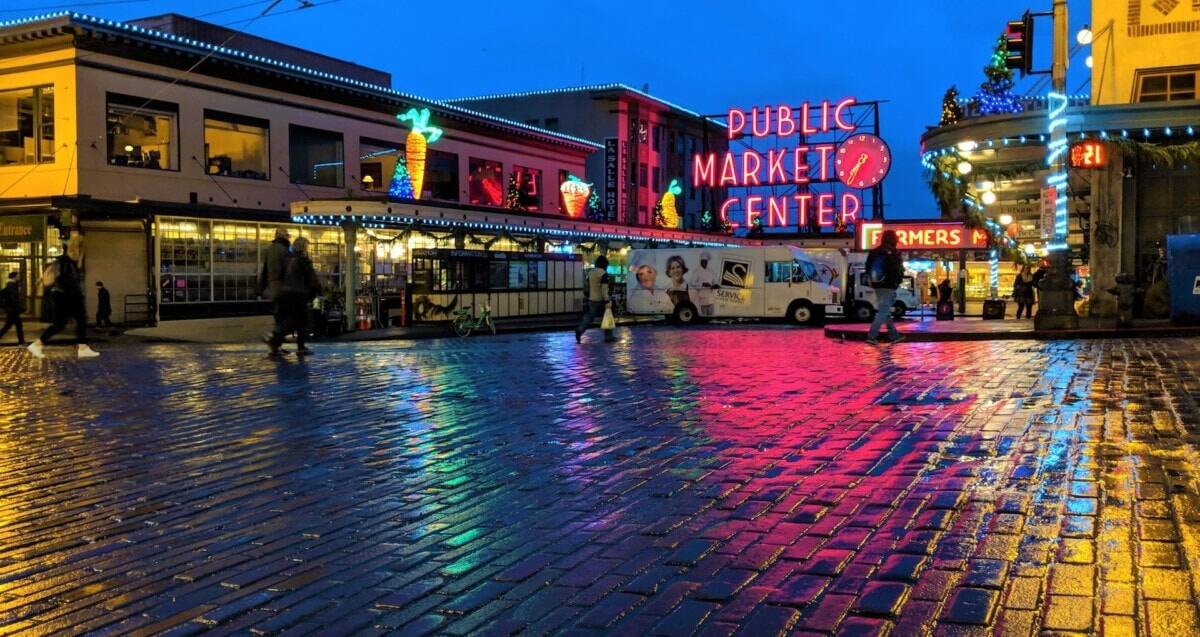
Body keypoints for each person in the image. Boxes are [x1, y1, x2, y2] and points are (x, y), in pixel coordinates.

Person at [28, 236, 100, 359]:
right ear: (77, 248)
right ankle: (81, 348)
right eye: (81, 248)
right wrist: (76, 295)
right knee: (76, 320)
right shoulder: (67, 261)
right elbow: (64, 279)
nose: (82, 251)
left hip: (63, 296)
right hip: (67, 296)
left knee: (62, 323)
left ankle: (38, 344)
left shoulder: (67, 261)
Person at [269, 236, 322, 355]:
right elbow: (312, 279)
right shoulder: (303, 261)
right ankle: (299, 346)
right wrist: (318, 290)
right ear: (304, 248)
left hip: (286, 294)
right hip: (299, 294)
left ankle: (276, 341)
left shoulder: (287, 260)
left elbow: (279, 276)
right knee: (301, 321)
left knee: (290, 320)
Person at [863, 229, 905, 345]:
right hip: (889, 286)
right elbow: (898, 270)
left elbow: (867, 267)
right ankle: (872, 336)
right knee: (883, 312)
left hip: (877, 285)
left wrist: (872, 280)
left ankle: (894, 335)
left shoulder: (874, 252)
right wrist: (897, 281)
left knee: (884, 311)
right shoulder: (895, 252)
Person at [258, 227, 291, 354]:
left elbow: (265, 270)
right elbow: (287, 269)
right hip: (283, 286)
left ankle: (276, 345)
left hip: (272, 286)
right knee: (286, 316)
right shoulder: (284, 250)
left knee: (278, 315)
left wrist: (261, 287)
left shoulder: (269, 249)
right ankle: (274, 338)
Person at [575, 255, 614, 344]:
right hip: (601, 300)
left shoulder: (591, 272)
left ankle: (580, 329)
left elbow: (587, 286)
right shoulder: (604, 274)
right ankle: (608, 336)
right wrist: (607, 300)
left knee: (590, 316)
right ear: (605, 264)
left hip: (592, 299)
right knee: (608, 317)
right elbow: (604, 289)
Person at [687, 251, 719, 316]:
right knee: (704, 317)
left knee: (711, 316)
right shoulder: (697, 271)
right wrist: (702, 283)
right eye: (703, 261)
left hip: (711, 298)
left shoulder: (710, 271)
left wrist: (715, 285)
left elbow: (715, 281)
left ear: (707, 262)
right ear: (700, 261)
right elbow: (691, 283)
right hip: (702, 298)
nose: (704, 263)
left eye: (705, 261)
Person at [0, 271, 25, 345]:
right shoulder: (12, 285)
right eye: (18, 276)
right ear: (14, 277)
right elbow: (13, 298)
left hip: (10, 309)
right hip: (12, 309)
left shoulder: (11, 284)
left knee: (8, 325)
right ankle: (21, 342)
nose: (19, 277)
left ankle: (21, 341)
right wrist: (18, 308)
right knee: (18, 325)